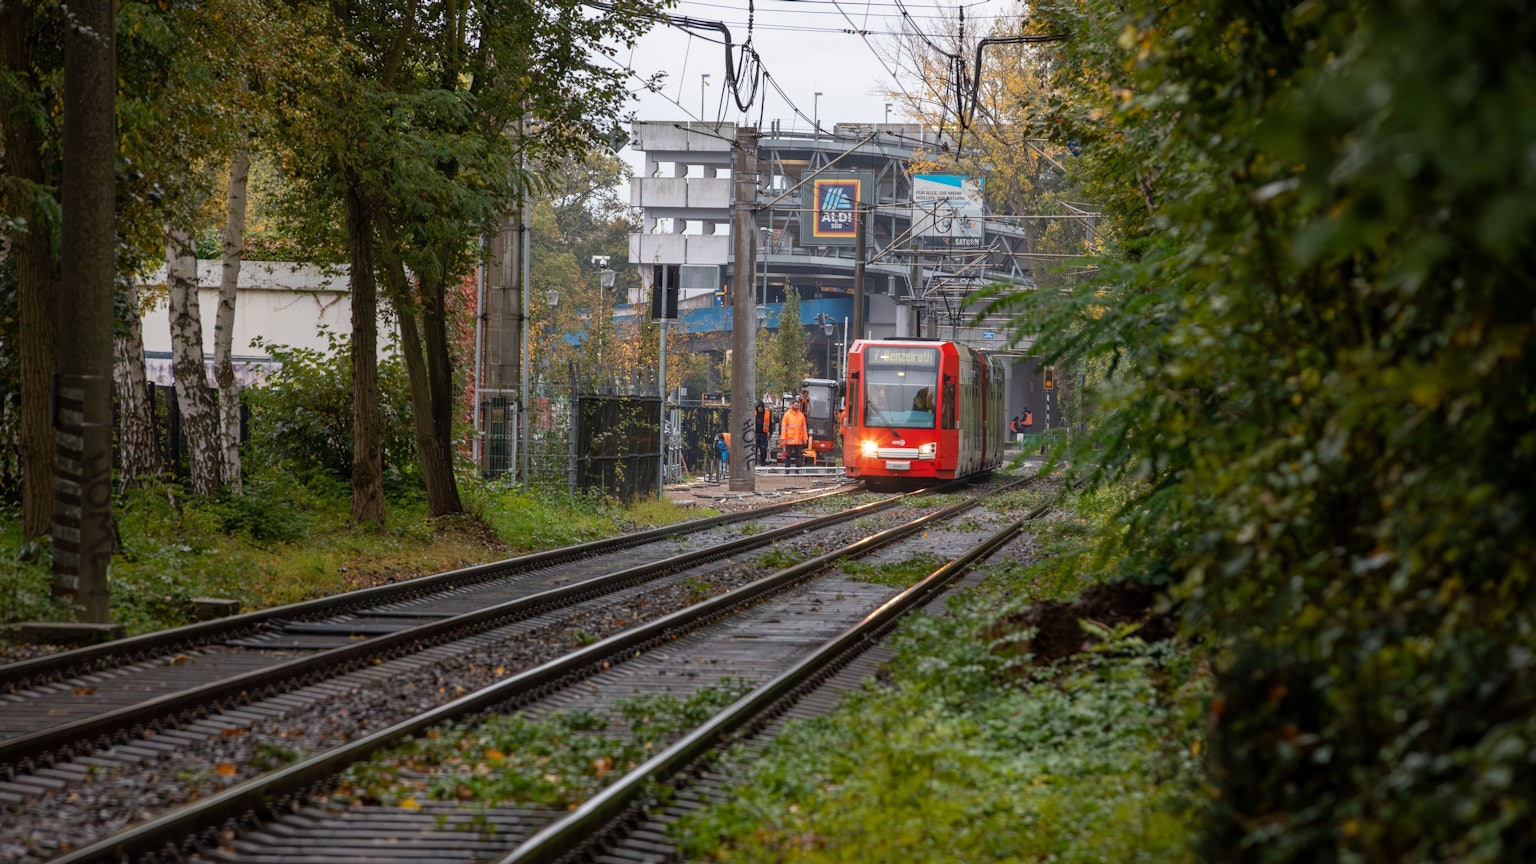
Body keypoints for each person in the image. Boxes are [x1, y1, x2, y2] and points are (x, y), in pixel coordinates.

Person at [780, 397, 808, 467]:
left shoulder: (801, 415)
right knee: (788, 456)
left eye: (798, 406)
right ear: (792, 405)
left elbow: (804, 428)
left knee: (798, 456)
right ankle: (787, 470)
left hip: (798, 440)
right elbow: (783, 428)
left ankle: (798, 471)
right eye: (796, 405)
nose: (797, 407)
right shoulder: (787, 415)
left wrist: (805, 439)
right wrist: (783, 439)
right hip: (789, 440)